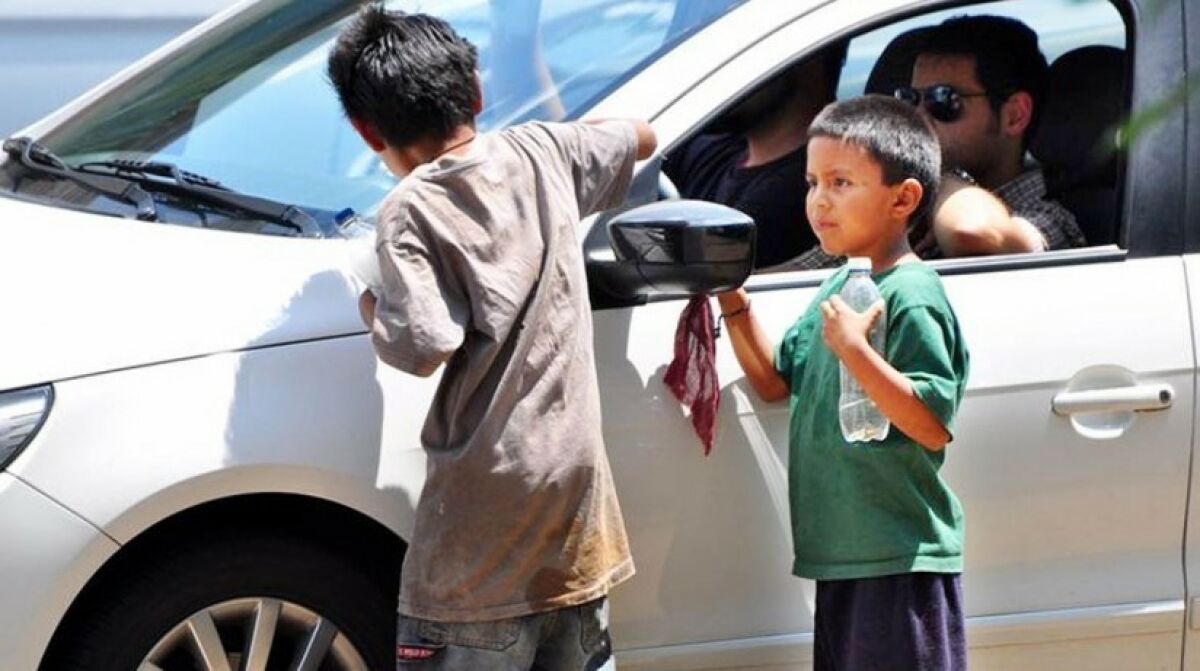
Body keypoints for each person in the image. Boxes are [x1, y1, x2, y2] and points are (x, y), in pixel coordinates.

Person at [326, 7, 656, 669]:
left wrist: (368, 301)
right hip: (575, 527)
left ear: (367, 132)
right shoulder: (543, 151)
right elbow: (643, 137)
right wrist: (558, 136)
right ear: (476, 94)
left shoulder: (408, 209)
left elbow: (422, 344)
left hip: (478, 553)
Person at [717, 95, 970, 670]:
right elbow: (776, 383)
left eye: (840, 182)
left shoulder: (912, 293)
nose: (818, 201)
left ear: (903, 198)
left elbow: (930, 424)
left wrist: (857, 351)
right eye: (811, 182)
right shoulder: (838, 286)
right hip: (841, 558)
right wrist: (733, 302)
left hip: (897, 558)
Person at [900, 14, 1087, 255]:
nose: (918, 116)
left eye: (942, 99)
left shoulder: (1050, 219)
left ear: (1014, 116)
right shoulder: (912, 206)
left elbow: (971, 233)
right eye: (910, 99)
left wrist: (933, 173)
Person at [662, 52, 841, 268]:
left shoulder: (789, 200)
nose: (717, 71)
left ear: (806, 61)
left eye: (738, 57)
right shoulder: (716, 149)